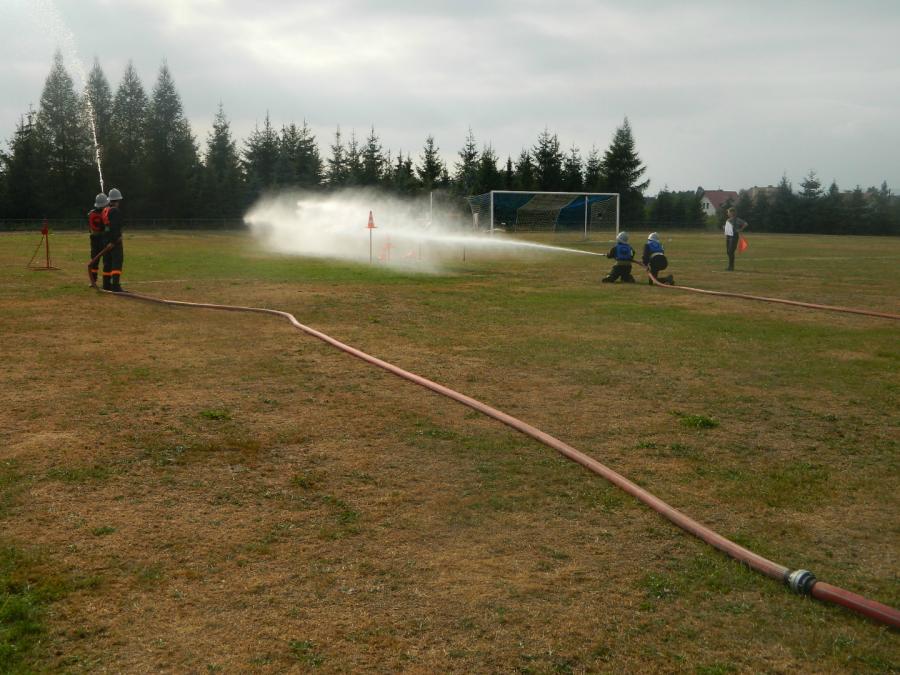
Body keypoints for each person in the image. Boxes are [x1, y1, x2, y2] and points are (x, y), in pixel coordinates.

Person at [101, 187, 125, 292]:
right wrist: (113, 241)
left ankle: (106, 284)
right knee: (116, 262)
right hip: (114, 242)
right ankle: (115, 286)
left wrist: (108, 241)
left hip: (106, 241)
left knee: (107, 263)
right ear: (118, 200)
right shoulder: (115, 211)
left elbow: (105, 227)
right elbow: (115, 227)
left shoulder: (105, 210)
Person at [87, 193, 108, 287]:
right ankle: (106, 282)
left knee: (95, 260)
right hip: (103, 239)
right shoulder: (105, 213)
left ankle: (93, 281)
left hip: (94, 240)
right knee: (106, 261)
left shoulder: (91, 213)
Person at [723, 207, 747, 271]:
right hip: (728, 236)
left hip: (734, 237)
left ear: (732, 212)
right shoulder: (728, 220)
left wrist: (740, 229)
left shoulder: (737, 219)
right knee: (728, 251)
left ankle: (731, 267)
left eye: (728, 212)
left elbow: (745, 224)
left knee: (731, 251)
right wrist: (725, 228)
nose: (727, 213)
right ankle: (730, 266)